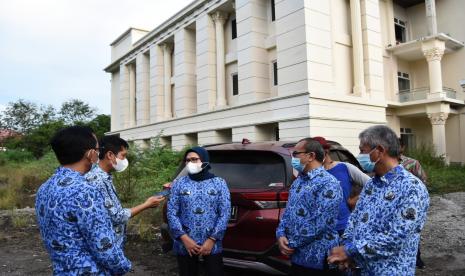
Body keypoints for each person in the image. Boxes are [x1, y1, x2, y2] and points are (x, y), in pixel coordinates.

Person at [328, 125, 430, 275]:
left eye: (362, 150)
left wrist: (349, 251)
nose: (359, 155)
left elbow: (397, 236)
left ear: (380, 151)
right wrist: (347, 248)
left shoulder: (412, 188)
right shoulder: (371, 184)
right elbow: (355, 219)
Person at [35, 126, 131, 275]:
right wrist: (124, 266)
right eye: (98, 150)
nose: (99, 154)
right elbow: (104, 247)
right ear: (90, 153)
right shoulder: (86, 191)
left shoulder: (44, 188)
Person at [85, 135, 165, 250]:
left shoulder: (105, 177)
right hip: (107, 247)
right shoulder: (98, 180)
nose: (124, 160)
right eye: (123, 156)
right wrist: (146, 205)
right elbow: (117, 216)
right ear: (110, 155)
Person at [276, 138, 342, 276]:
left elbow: (320, 223)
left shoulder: (328, 183)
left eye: (296, 154)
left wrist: (291, 243)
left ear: (311, 156)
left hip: (318, 259)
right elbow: (288, 212)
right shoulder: (298, 182)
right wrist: (281, 234)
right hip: (298, 257)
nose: (293, 159)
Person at [167, 146, 231, 276]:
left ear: (205, 160)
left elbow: (224, 213)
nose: (190, 163)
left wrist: (212, 240)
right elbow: (172, 212)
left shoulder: (219, 183)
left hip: (211, 243)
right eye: (187, 160)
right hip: (185, 243)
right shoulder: (179, 183)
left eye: (194, 159)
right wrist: (184, 239)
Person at [312, 136, 370, 235]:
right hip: (319, 230)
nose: (312, 157)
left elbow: (374, 185)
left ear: (326, 151)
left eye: (315, 153)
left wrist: (355, 199)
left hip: (344, 227)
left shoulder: (344, 167)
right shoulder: (310, 174)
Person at [398, 138, 427, 269]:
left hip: (411, 206)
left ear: (402, 147)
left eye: (397, 145)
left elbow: (423, 181)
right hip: (392, 206)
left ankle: (416, 258)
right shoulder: (382, 164)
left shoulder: (412, 163)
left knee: (412, 230)